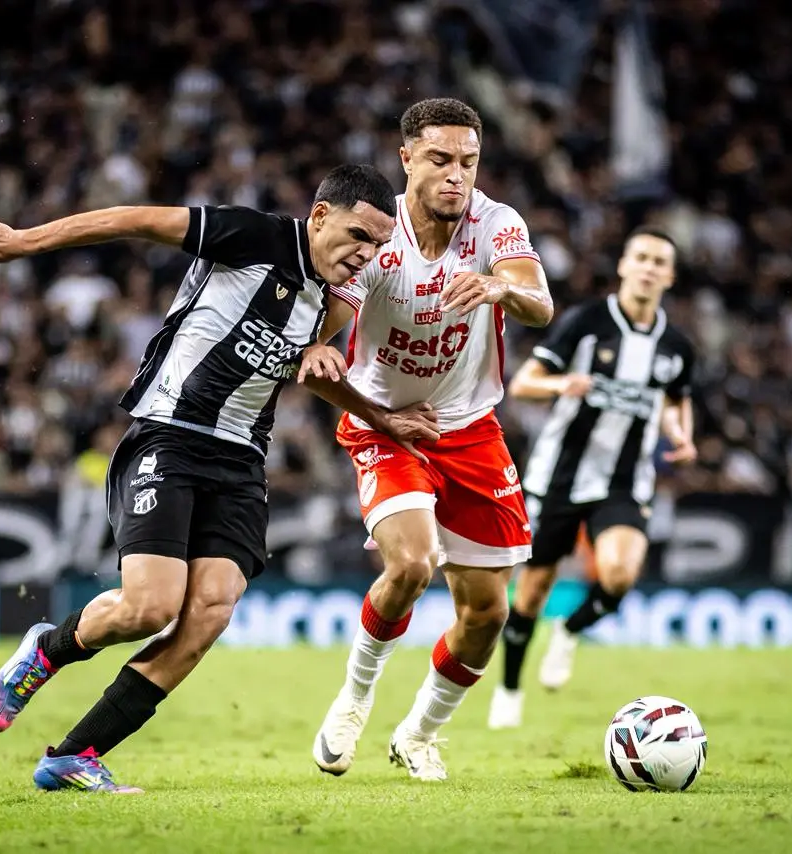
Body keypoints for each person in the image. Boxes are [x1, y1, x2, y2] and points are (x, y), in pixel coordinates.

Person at [0, 164, 441, 793]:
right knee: (149, 607)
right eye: (358, 235)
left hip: (240, 461)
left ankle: (75, 755)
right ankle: (47, 651)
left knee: (209, 612)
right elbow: (133, 220)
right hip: (169, 435)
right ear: (319, 216)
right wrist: (24, 242)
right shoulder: (250, 236)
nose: (365, 254)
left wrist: (382, 416)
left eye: (376, 246)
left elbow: (314, 367)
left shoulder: (344, 291)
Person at [299, 98, 553, 781]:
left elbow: (540, 300)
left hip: (469, 428)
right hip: (386, 424)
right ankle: (354, 699)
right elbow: (328, 321)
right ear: (406, 157)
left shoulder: (496, 224)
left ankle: (418, 733)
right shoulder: (377, 237)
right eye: (440, 160)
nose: (456, 176)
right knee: (411, 565)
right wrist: (322, 350)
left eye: (468, 162)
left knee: (487, 613)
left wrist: (500, 288)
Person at [486, 227, 697, 730]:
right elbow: (523, 384)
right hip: (560, 476)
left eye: (658, 262)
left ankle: (571, 629)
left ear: (668, 275)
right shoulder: (585, 322)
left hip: (624, 480)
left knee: (620, 574)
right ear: (624, 265)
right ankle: (510, 690)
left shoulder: (676, 345)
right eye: (640, 257)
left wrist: (680, 434)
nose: (648, 267)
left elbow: (674, 398)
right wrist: (564, 383)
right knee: (532, 591)